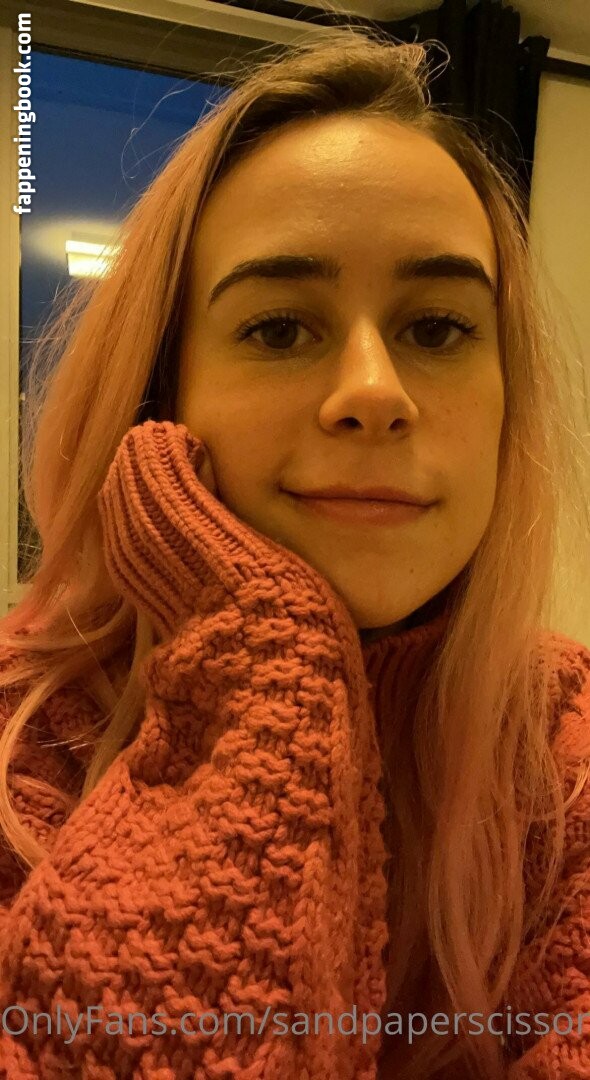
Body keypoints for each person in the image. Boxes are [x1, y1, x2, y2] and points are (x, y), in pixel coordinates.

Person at [0, 28, 589, 1080]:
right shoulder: (18, 742)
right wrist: (265, 650)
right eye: (279, 329)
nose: (374, 392)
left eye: (437, 329)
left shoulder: (567, 749)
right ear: (161, 393)